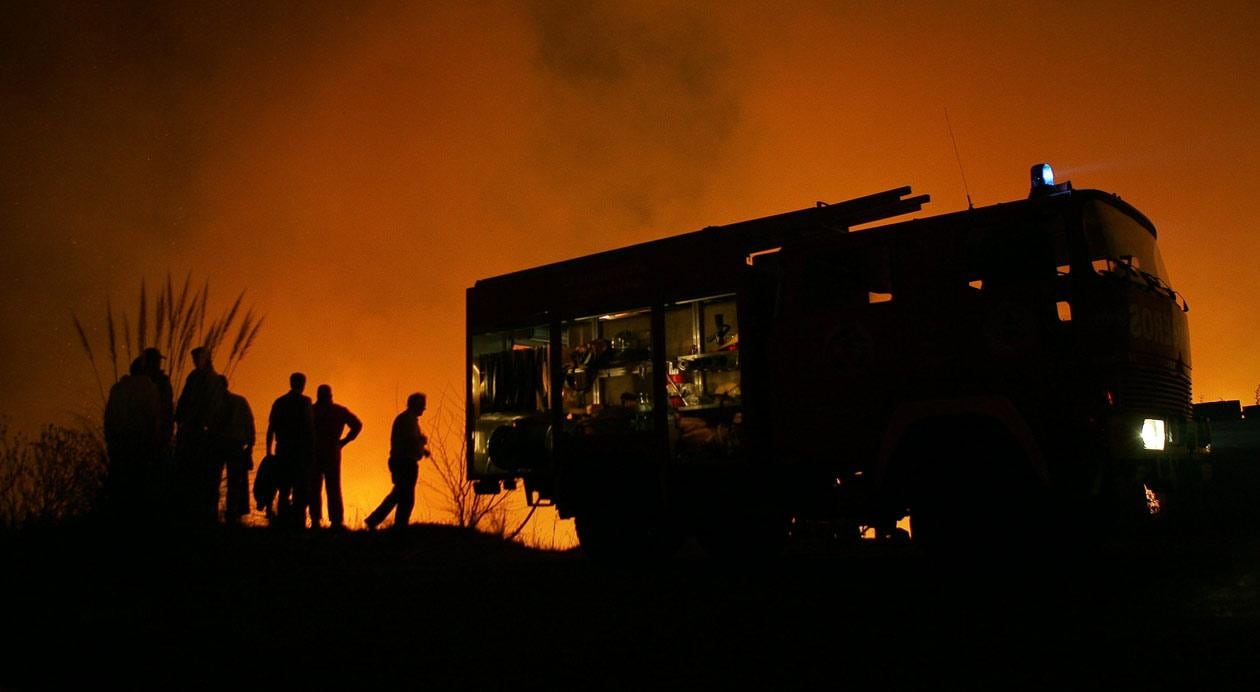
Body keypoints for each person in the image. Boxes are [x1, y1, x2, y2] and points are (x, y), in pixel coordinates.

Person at [102, 357, 162, 517]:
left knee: (119, 484)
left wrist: (110, 441)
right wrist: (154, 442)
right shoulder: (150, 388)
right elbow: (154, 418)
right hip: (140, 444)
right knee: (138, 484)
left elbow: (109, 417)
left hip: (119, 444)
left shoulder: (117, 388)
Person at [173, 346, 226, 524]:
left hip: (200, 433)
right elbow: (184, 401)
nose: (195, 362)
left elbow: (211, 408)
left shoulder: (209, 380)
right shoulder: (197, 378)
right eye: (194, 359)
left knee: (202, 473)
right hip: (193, 431)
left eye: (198, 358)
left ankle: (202, 514)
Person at [365, 393, 430, 531]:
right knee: (405, 497)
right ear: (416, 405)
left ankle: (379, 521)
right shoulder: (407, 420)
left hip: (402, 461)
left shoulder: (407, 419)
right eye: (422, 405)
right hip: (405, 462)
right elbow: (410, 440)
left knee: (399, 494)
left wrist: (422, 450)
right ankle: (399, 525)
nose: (424, 409)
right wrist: (421, 441)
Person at [266, 372, 315, 528]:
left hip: (283, 450)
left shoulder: (279, 402)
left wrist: (269, 451)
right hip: (299, 451)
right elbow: (309, 428)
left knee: (284, 488)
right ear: (302, 384)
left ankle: (282, 521)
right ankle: (298, 523)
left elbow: (271, 428)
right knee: (300, 488)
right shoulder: (305, 402)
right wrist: (311, 451)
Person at [311, 384, 362, 530]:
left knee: (314, 487)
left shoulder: (311, 411)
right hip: (332, 451)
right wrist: (344, 441)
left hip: (314, 452)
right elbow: (357, 425)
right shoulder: (339, 411)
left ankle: (315, 520)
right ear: (331, 395)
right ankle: (336, 521)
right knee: (333, 487)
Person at [211, 376, 256, 525]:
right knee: (235, 481)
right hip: (236, 445)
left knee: (213, 480)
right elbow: (250, 424)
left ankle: (212, 513)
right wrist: (249, 446)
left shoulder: (213, 403)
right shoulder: (240, 401)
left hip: (217, 444)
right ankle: (232, 513)